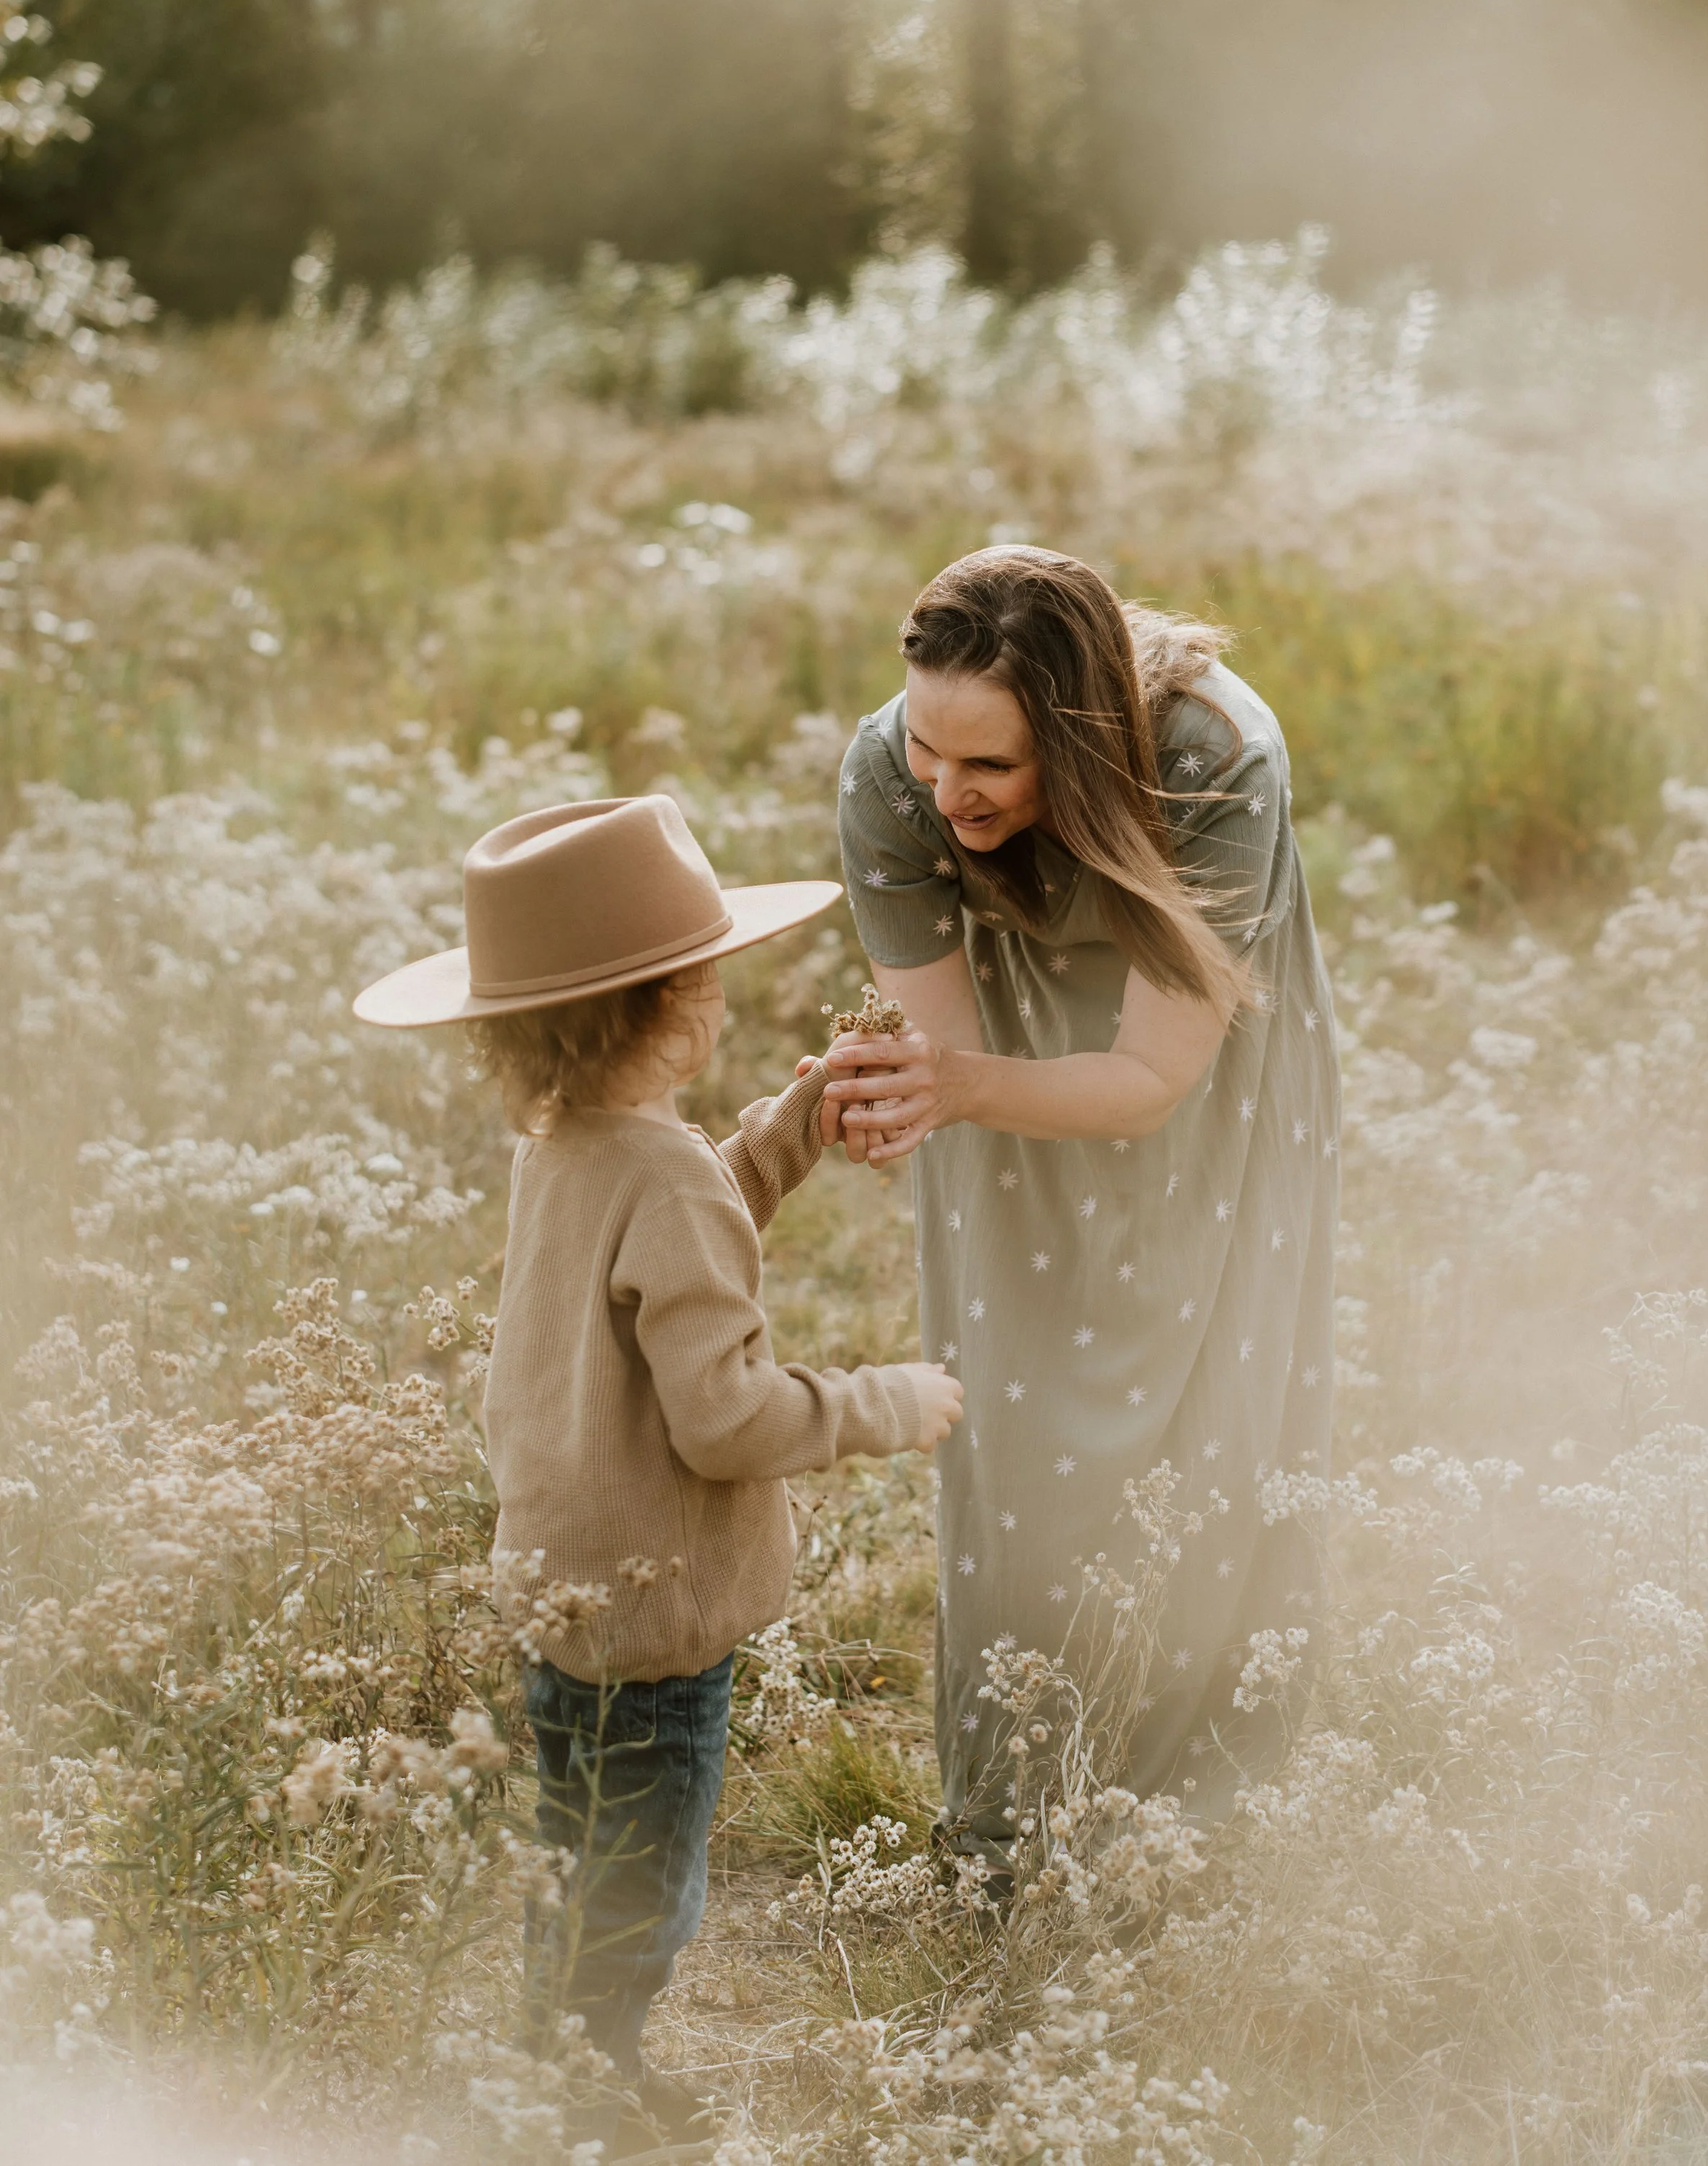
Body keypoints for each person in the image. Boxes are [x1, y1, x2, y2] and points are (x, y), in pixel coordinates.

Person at [354, 794, 962, 2152]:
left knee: (572, 1855)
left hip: (559, 1590)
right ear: (680, 1004)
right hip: (657, 1616)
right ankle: (584, 2096)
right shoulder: (667, 1177)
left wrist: (792, 1126)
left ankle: (558, 2053)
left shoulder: (565, 1146)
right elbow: (726, 1420)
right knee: (645, 1885)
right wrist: (885, 1402)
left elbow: (675, 1226)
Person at [825, 545, 1337, 1853]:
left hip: (1199, 1064)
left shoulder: (1218, 758)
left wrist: (946, 1082)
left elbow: (1154, 1077)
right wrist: (894, 1102)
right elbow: (941, 1064)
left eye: (989, 765)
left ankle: (1193, 1817)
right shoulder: (892, 773)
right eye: (930, 751)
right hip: (1006, 1050)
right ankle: (1021, 1804)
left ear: (1086, 738)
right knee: (1015, 1399)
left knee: (1213, 1394)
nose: (946, 792)